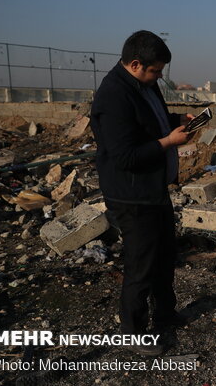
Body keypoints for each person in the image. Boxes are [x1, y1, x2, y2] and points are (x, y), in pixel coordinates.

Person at [90, 30, 194, 356]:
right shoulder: (113, 96)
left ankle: (165, 315)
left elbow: (150, 121)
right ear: (136, 64)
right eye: (155, 71)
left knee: (164, 257)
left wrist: (178, 120)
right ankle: (133, 335)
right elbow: (126, 156)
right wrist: (168, 143)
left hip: (154, 190)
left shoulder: (143, 85)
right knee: (141, 267)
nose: (159, 77)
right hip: (132, 196)